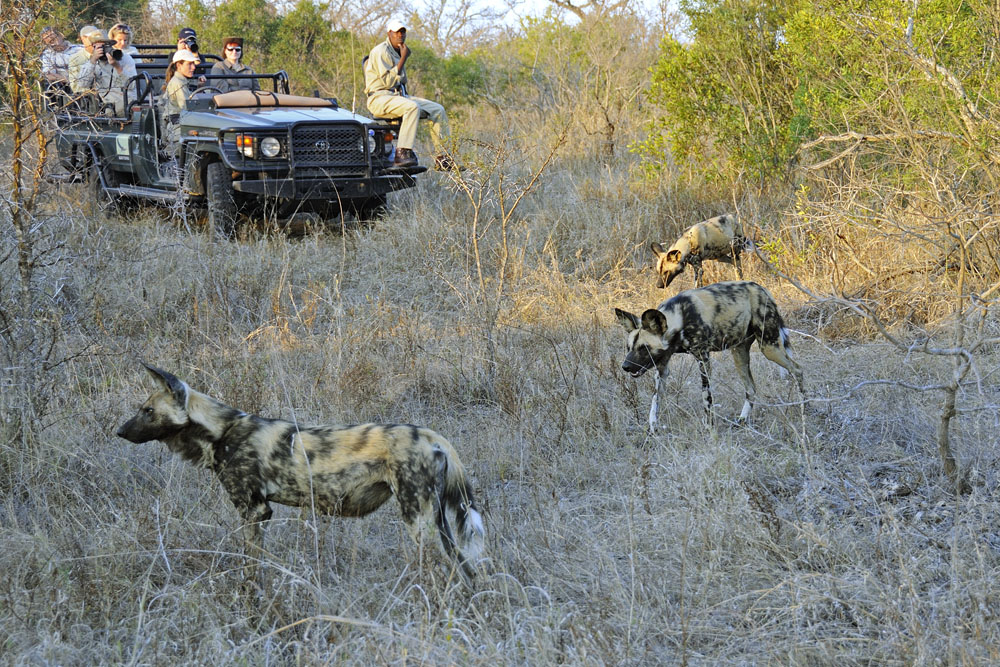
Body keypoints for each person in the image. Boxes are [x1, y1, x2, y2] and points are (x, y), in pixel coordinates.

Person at [363, 18, 454, 170]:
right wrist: (403, 58)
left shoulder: (398, 51)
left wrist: (402, 57)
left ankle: (443, 158)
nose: (400, 35)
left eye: (403, 32)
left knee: (438, 110)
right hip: (379, 98)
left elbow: (401, 81)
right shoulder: (381, 51)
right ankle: (402, 154)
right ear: (389, 34)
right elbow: (388, 82)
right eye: (397, 32)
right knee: (412, 107)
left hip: (397, 97)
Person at [67, 25, 137, 116]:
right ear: (93, 46)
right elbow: (83, 84)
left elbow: (132, 85)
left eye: (106, 46)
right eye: (100, 46)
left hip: (126, 100)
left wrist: (117, 66)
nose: (104, 49)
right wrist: (93, 61)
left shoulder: (125, 58)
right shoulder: (91, 63)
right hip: (105, 104)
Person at [161, 49, 201, 153]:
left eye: (193, 64)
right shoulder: (178, 83)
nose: (193, 67)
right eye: (189, 64)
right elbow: (187, 108)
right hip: (178, 129)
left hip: (182, 126)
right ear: (179, 65)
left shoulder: (182, 81)